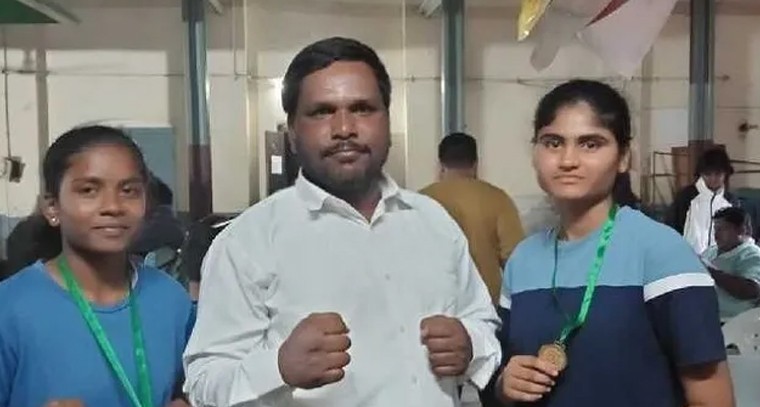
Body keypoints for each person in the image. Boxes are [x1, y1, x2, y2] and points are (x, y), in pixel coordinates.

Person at [182, 37, 500, 407]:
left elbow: (482, 323)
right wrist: (277, 367)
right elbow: (203, 382)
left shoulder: (433, 222)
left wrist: (471, 346)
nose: (344, 128)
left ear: (387, 119)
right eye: (322, 112)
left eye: (363, 109)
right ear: (292, 131)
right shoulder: (248, 242)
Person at [496, 80, 733, 407]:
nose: (568, 160)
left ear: (623, 157)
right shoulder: (522, 262)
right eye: (553, 142)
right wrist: (504, 386)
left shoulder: (662, 253)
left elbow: (711, 397)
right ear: (535, 153)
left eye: (590, 144)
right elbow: (504, 373)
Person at [0, 125, 194, 407]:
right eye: (89, 190)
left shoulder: (171, 300)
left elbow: (190, 389)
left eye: (129, 191)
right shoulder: (9, 308)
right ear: (52, 207)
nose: (113, 206)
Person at [421, 132, 524, 305]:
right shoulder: (497, 198)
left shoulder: (421, 200)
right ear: (476, 164)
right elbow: (515, 260)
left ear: (441, 165)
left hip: (435, 305)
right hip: (485, 305)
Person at [667, 147, 736, 254]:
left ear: (725, 174)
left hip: (721, 260)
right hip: (689, 258)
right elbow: (671, 227)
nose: (713, 178)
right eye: (708, 174)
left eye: (718, 174)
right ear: (701, 173)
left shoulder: (731, 202)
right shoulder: (687, 197)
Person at [701, 206, 760, 321]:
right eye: (715, 229)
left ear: (741, 230)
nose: (716, 235)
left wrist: (710, 270)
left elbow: (751, 290)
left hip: (732, 322)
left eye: (722, 229)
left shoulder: (751, 254)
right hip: (704, 317)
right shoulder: (710, 251)